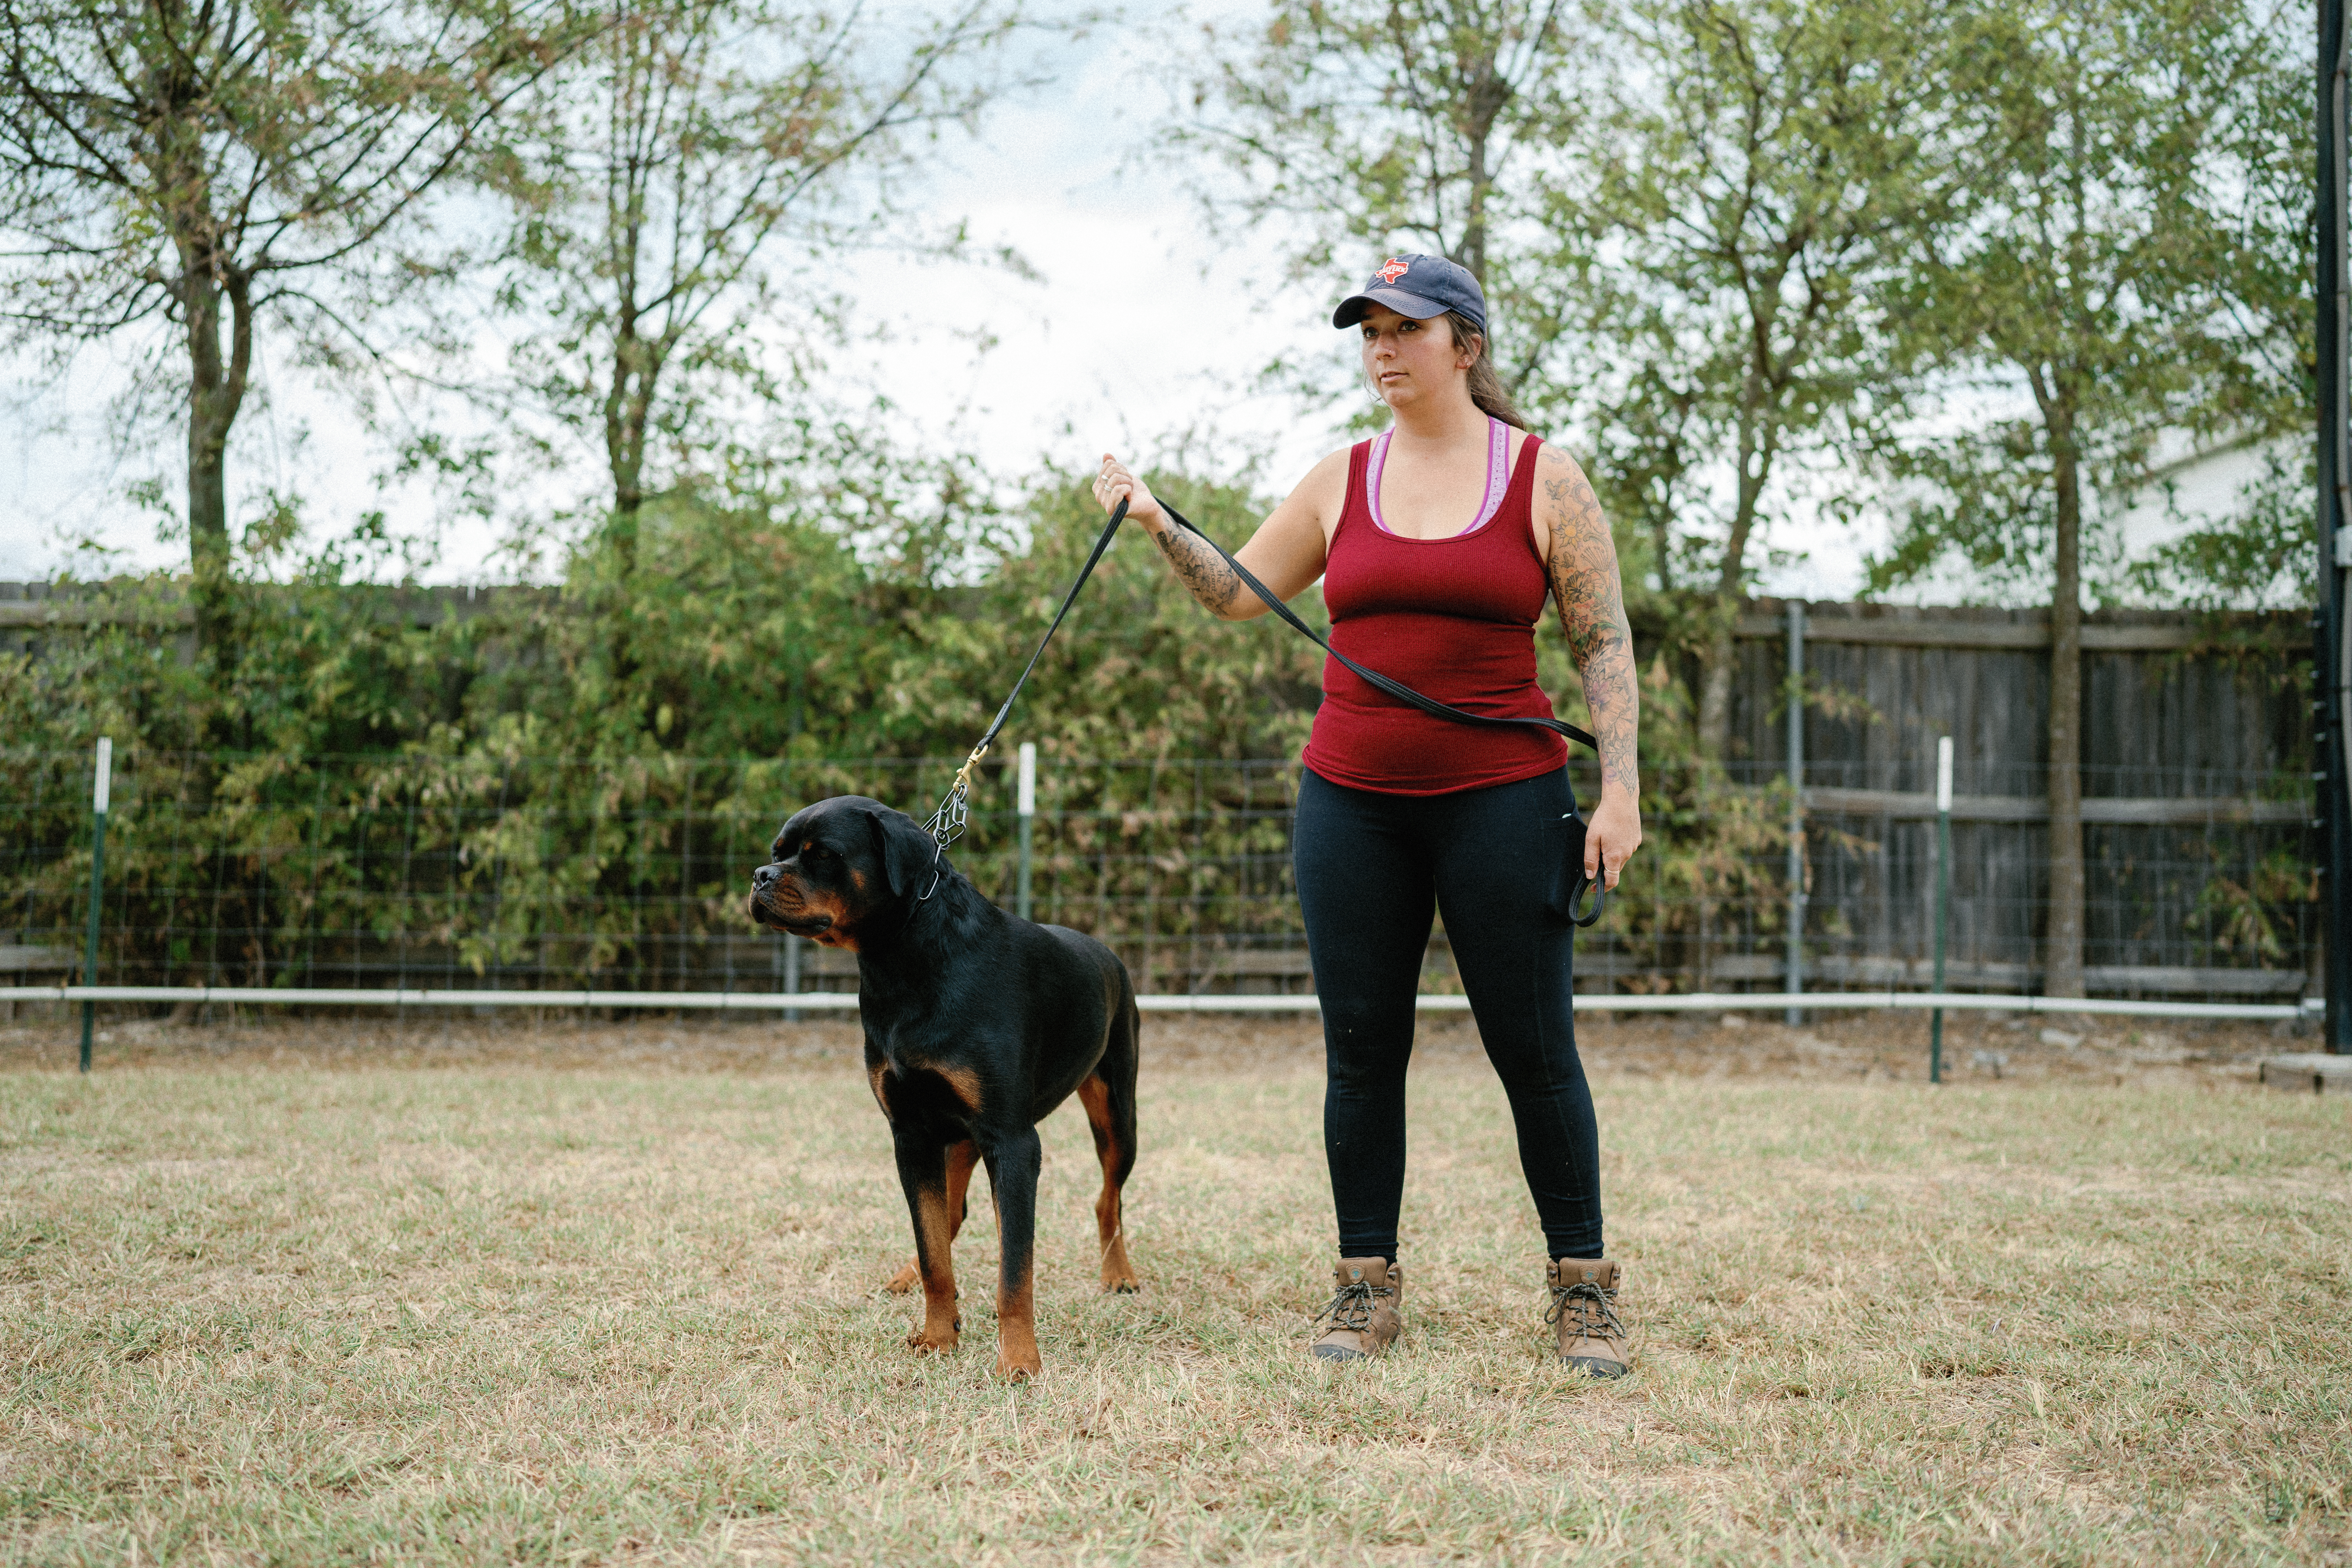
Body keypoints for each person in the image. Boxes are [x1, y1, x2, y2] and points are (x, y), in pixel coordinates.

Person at [1091, 253, 1644, 1376]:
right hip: (1352, 807)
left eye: (1408, 329)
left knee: (1534, 1053)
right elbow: (1237, 595)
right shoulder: (1341, 477)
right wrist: (1153, 519)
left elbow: (1602, 638)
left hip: (1507, 801)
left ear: (1467, 347)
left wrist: (1622, 791)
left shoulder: (1543, 476)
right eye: (1370, 331)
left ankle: (1583, 1287)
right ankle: (1363, 1288)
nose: (1384, 350)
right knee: (1361, 1053)